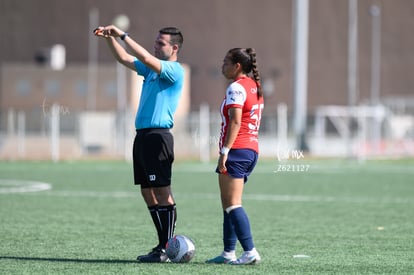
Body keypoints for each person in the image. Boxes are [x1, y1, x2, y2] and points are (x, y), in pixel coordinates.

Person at [94, 25, 184, 263]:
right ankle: (161, 245)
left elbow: (143, 56)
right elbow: (124, 58)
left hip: (158, 137)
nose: (156, 45)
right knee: (147, 192)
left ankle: (168, 247)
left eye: (161, 43)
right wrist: (109, 38)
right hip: (143, 137)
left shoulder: (173, 70)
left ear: (174, 48)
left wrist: (122, 34)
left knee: (163, 191)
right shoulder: (152, 70)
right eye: (155, 41)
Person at [206, 48, 264, 265]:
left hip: (237, 151)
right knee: (227, 204)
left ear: (237, 65)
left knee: (233, 204)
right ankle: (228, 252)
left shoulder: (236, 87)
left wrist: (224, 152)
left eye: (225, 62)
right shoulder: (254, 86)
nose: (222, 66)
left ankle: (250, 252)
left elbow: (236, 122)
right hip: (251, 150)